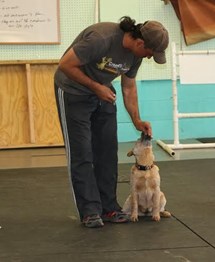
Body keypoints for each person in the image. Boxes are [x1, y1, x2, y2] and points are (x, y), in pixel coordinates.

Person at [54, 16, 169, 228]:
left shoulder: (136, 55)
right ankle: (89, 210)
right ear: (140, 43)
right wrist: (95, 87)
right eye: (151, 54)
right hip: (73, 92)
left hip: (104, 93)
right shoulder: (101, 38)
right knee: (82, 153)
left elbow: (128, 87)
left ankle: (108, 208)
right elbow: (65, 65)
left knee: (107, 152)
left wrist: (136, 119)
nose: (150, 58)